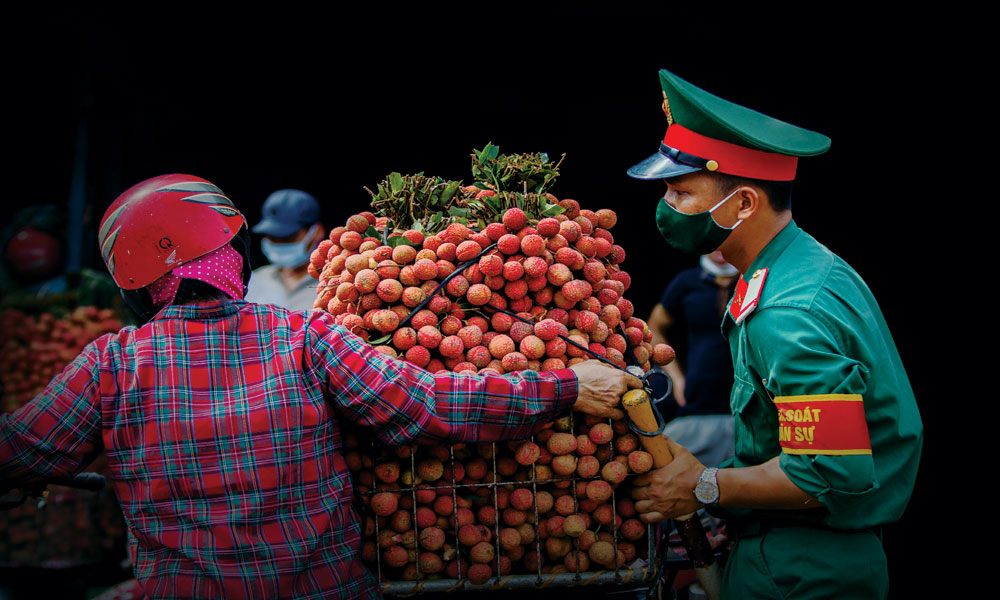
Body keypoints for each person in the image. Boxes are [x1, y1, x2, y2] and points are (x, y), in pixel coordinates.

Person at [0, 174, 641, 600]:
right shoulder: (304, 337)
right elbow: (427, 405)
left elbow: (16, 451)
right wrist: (564, 387)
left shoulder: (110, 364)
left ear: (135, 284)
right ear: (236, 256)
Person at [626, 69, 923, 599]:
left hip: (801, 571)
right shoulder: (801, 266)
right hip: (795, 554)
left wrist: (702, 485)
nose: (666, 206)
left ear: (743, 204)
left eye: (680, 191)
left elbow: (826, 474)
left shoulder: (787, 311)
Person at [646, 250, 737, 468]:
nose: (720, 249)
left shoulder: (754, 279)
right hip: (697, 401)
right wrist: (676, 379)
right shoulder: (687, 282)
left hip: (744, 405)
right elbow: (653, 329)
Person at [245, 188, 327, 311]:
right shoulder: (254, 281)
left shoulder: (334, 283)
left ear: (317, 232)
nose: (279, 243)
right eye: (272, 237)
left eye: (288, 237)